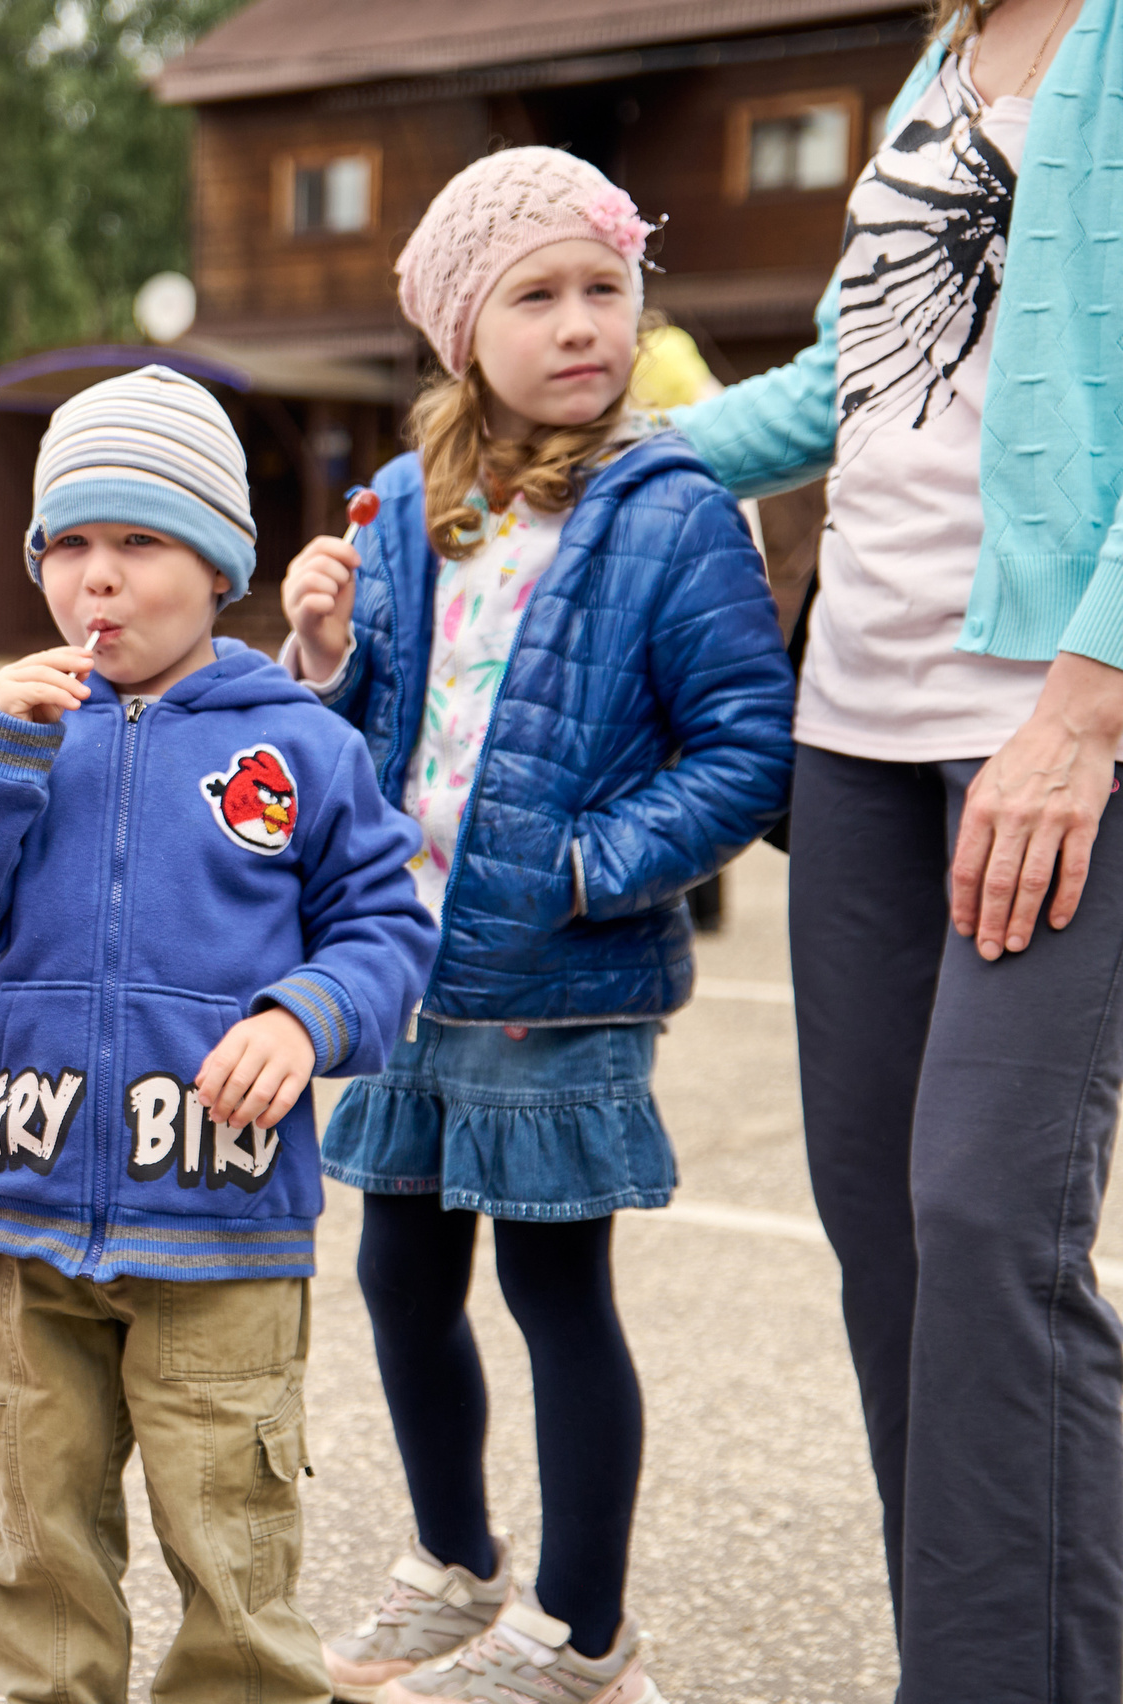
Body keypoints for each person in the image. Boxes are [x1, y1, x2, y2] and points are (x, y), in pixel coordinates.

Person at [277, 150, 792, 1700]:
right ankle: (454, 1563)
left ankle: (583, 1631)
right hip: (407, 965)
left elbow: (742, 751)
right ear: (460, 330)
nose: (584, 324)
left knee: (556, 1289)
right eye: (538, 295)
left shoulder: (674, 506)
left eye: (605, 289)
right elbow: (356, 733)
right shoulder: (400, 510)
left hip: (560, 968)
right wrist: (317, 654)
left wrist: (582, 868)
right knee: (399, 1276)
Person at [672, 0, 1123, 1688]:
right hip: (855, 729)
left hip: (1049, 725)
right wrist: (575, 460)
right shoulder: (938, 61)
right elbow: (842, 383)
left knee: (993, 1221)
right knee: (897, 1243)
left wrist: (1087, 712)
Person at [0, 366, 439, 1704]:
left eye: (139, 542)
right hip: (21, 1217)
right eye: (69, 546)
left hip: (225, 1224)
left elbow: (387, 930)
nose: (98, 581)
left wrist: (309, 1017)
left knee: (234, 1561)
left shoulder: (300, 744)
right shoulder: (8, 731)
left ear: (220, 562)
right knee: (37, 1548)